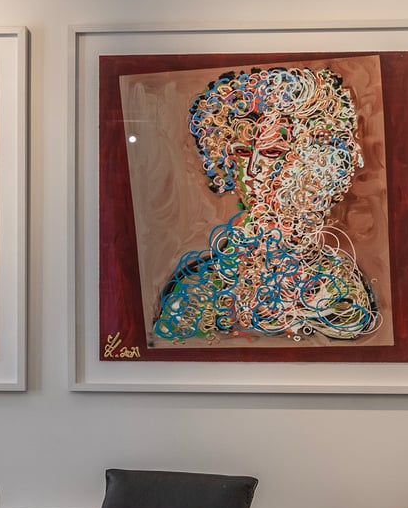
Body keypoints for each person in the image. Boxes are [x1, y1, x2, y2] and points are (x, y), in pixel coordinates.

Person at [153, 66, 380, 345]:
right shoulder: (196, 286)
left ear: (315, 159)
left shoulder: (340, 290)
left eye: (273, 153)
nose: (253, 171)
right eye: (242, 153)